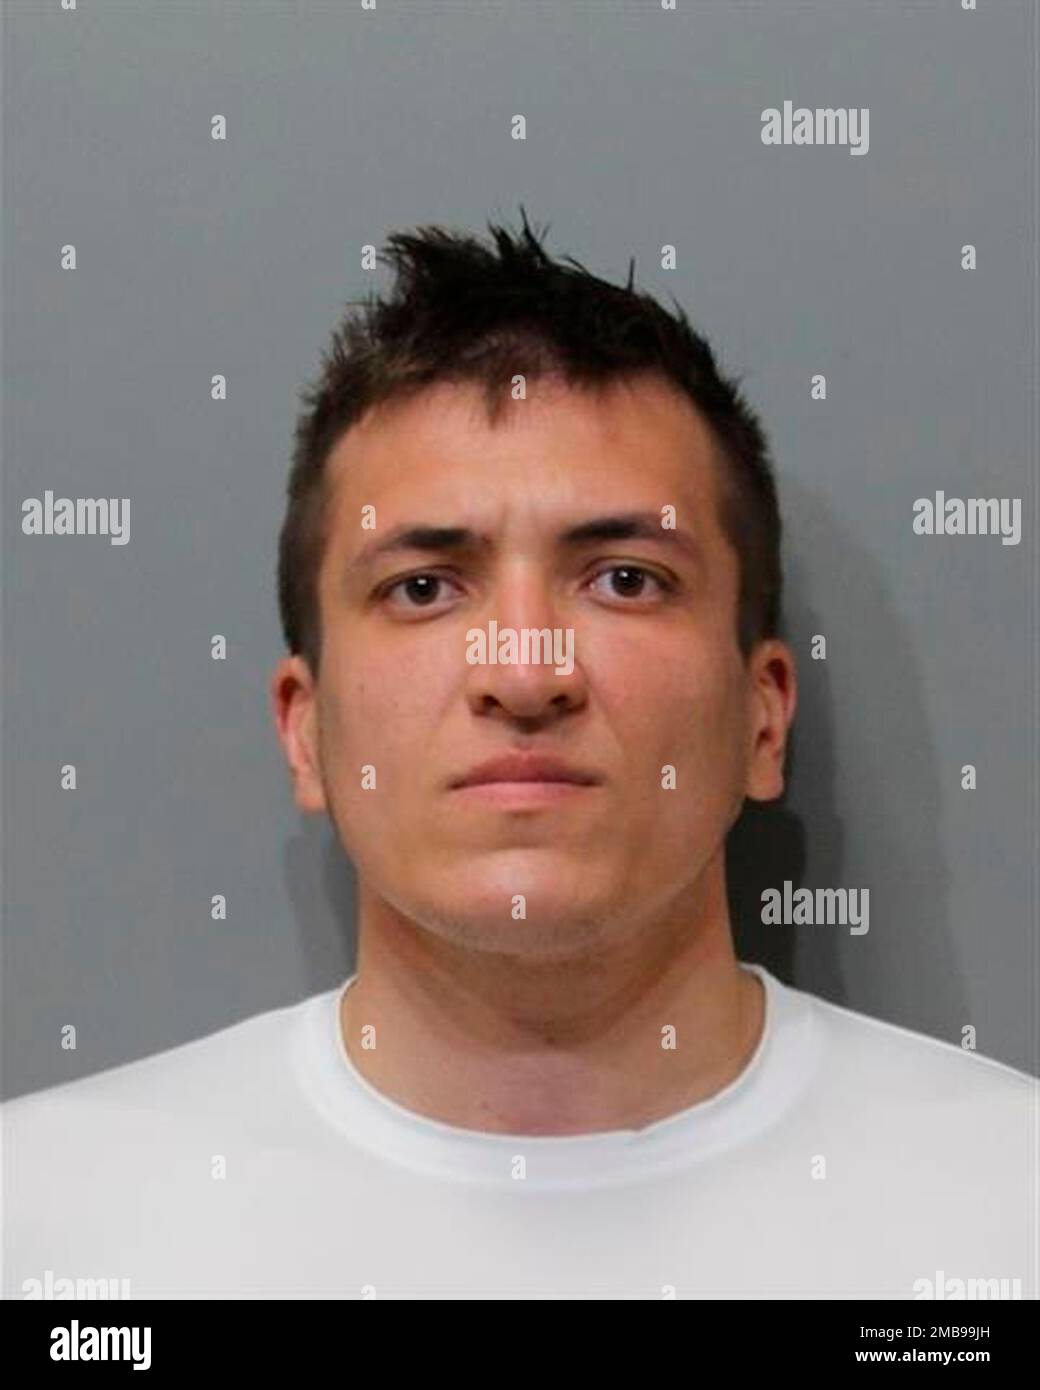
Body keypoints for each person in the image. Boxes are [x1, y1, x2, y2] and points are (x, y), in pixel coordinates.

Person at [4, 214, 1035, 1301]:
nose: (526, 672)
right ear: (305, 732)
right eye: (422, 588)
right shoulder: (44, 1231)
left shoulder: (1008, 1215)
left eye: (625, 579)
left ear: (761, 719)